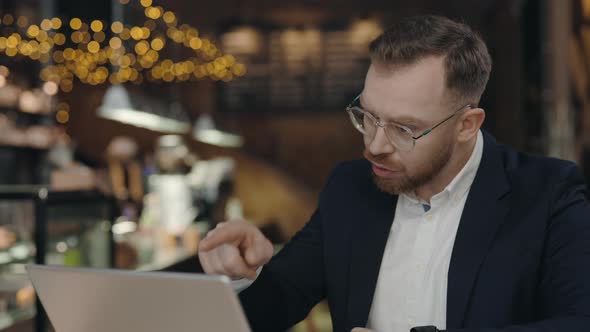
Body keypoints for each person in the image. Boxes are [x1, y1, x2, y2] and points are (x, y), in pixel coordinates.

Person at [198, 15, 590, 332]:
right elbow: (279, 301)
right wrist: (241, 275)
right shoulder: (350, 188)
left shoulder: (548, 193)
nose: (375, 145)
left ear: (467, 125)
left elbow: (579, 321)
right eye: (368, 116)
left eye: (405, 129)